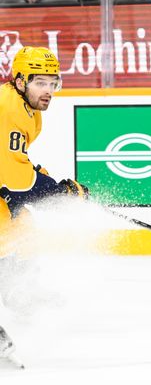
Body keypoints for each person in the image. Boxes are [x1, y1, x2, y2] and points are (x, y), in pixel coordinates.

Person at [0, 46, 89, 368]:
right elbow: (14, 176)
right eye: (40, 83)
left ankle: (19, 293)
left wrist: (47, 181)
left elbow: (15, 163)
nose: (48, 91)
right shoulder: (9, 108)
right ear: (20, 81)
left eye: (53, 83)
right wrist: (58, 191)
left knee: (22, 230)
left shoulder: (28, 107)